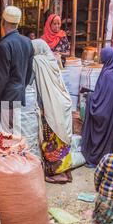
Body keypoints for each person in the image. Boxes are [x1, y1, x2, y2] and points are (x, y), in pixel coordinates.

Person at [32, 39, 73, 184]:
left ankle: (58, 174)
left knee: (51, 140)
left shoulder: (38, 61)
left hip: (51, 105)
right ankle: (66, 172)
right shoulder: (51, 59)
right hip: (61, 101)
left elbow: (36, 85)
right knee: (62, 138)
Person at [0, 6, 34, 133]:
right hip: (18, 96)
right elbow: (29, 73)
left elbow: (0, 80)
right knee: (15, 135)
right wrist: (20, 89)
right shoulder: (27, 42)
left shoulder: (4, 45)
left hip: (6, 99)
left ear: (2, 22)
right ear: (18, 23)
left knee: (6, 138)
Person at [81, 47, 113, 167]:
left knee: (100, 136)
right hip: (109, 112)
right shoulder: (111, 72)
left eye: (102, 55)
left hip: (104, 112)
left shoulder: (108, 75)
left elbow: (102, 101)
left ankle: (96, 158)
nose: (100, 57)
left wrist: (89, 97)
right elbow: (105, 94)